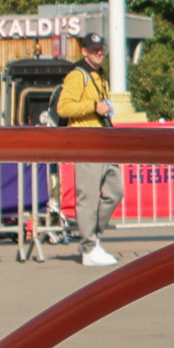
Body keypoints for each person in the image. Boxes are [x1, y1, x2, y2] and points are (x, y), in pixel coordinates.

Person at [55, 29, 122, 267]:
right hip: (86, 140)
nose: (99, 52)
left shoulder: (99, 76)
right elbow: (64, 108)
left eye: (101, 48)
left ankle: (92, 237)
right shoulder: (77, 75)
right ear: (84, 51)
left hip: (104, 139)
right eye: (94, 49)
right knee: (89, 196)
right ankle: (88, 246)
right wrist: (94, 106)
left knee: (116, 190)